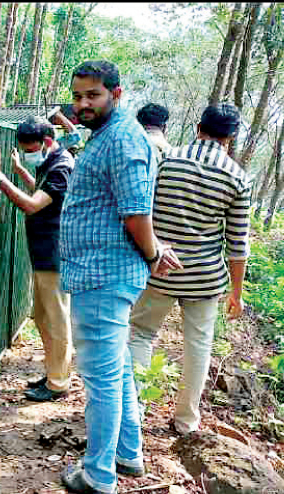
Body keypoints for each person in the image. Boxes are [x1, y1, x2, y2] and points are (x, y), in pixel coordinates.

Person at [58, 60, 182, 494]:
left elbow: (135, 212)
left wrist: (152, 253)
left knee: (102, 379)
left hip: (103, 275)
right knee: (119, 371)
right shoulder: (105, 136)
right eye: (78, 95)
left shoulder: (124, 139)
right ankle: (128, 454)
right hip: (99, 272)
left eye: (92, 95)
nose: (83, 103)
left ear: (117, 93)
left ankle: (97, 475)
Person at [128, 103, 250, 435]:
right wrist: (236, 292)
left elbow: (142, 210)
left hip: (160, 268)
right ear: (231, 137)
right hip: (206, 278)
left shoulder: (167, 160)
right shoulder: (237, 177)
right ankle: (186, 422)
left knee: (139, 334)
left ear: (199, 127)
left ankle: (133, 412)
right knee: (198, 345)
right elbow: (237, 244)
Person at [0, 115, 75, 402]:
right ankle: (52, 373)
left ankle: (58, 383)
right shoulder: (51, 161)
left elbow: (31, 204)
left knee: (57, 319)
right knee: (42, 315)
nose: (27, 155)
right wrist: (19, 170)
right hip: (42, 252)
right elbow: (40, 189)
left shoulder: (62, 167)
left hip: (55, 253)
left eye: (29, 150)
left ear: (47, 142)